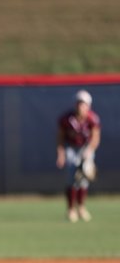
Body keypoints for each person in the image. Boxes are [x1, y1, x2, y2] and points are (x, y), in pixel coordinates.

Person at [56, 89, 101, 223]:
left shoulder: (92, 118)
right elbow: (60, 137)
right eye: (79, 103)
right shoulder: (67, 119)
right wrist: (61, 153)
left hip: (86, 148)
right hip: (71, 148)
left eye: (84, 104)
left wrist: (89, 151)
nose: (81, 106)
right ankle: (71, 209)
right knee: (72, 178)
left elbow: (96, 137)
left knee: (83, 179)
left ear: (88, 106)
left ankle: (81, 207)